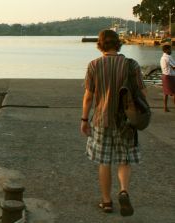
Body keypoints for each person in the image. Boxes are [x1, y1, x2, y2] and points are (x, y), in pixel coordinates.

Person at [81, 30, 146, 216]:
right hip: (126, 121)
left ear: (100, 45)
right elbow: (142, 93)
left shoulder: (94, 65)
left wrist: (84, 119)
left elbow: (88, 97)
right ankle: (123, 190)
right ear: (118, 44)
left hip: (102, 119)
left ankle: (107, 202)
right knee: (124, 160)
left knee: (104, 161)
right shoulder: (131, 64)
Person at [160, 44, 175, 112]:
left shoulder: (162, 57)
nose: (171, 50)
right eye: (170, 49)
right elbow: (174, 67)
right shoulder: (168, 57)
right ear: (166, 50)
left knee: (165, 93)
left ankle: (165, 107)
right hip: (170, 76)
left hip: (164, 75)